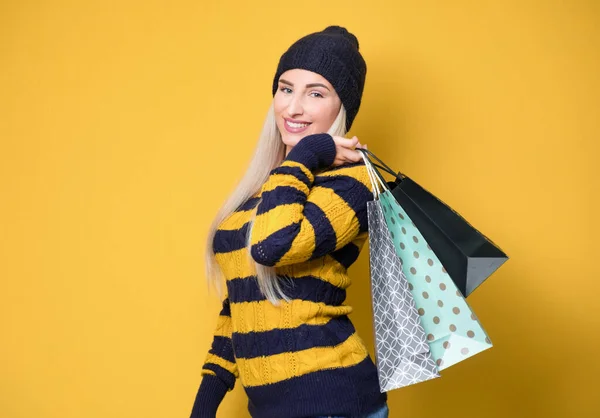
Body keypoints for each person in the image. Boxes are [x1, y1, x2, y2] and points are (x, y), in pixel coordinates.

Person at [190, 25, 389, 418]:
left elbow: (270, 247)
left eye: (315, 93)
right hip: (270, 408)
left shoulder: (354, 184)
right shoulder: (271, 186)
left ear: (341, 107)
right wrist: (203, 407)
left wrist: (310, 151)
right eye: (285, 88)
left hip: (334, 401)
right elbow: (241, 304)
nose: (292, 107)